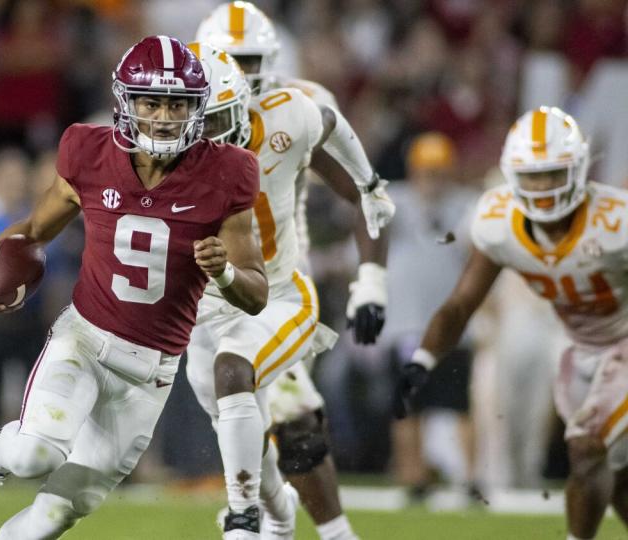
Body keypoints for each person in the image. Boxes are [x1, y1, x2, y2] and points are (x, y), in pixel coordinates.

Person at [0, 35, 269, 539]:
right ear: (125, 102)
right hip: (85, 340)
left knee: (55, 516)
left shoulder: (229, 173)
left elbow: (257, 292)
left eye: (176, 104)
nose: (161, 116)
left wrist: (224, 272)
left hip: (151, 371)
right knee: (34, 451)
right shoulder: (88, 151)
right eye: (150, 101)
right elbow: (35, 229)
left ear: (197, 109)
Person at [194, 4, 395, 539]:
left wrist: (370, 281)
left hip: (275, 282)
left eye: (249, 60)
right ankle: (271, 519)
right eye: (226, 60)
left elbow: (363, 192)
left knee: (294, 418)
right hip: (199, 297)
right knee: (240, 421)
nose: (238, 72)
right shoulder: (175, 114)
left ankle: (322, 532)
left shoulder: (296, 108)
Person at [395, 106, 628, 540]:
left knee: (587, 445)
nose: (542, 188)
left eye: (554, 174)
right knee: (613, 469)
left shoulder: (617, 220)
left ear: (578, 170)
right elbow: (462, 304)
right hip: (581, 347)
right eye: (533, 175)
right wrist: (423, 358)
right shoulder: (498, 221)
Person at [381, 133, 480, 504]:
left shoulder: (466, 206)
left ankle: (470, 478)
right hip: (408, 326)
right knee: (409, 407)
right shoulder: (397, 202)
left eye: (439, 172)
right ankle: (413, 477)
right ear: (414, 171)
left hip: (452, 327)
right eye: (426, 172)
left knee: (460, 405)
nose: (432, 180)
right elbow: (366, 212)